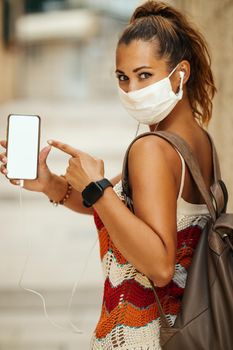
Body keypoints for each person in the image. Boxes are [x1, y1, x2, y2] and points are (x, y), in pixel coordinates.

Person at [0, 1, 217, 349]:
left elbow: (160, 267)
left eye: (144, 75)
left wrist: (98, 188)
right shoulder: (198, 140)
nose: (132, 90)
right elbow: (120, 212)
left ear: (181, 73)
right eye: (123, 77)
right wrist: (50, 184)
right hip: (184, 329)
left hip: (142, 335)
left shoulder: (152, 148)